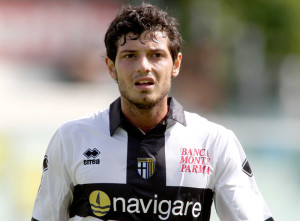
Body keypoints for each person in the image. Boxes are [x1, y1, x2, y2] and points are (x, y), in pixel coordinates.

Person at [31, 3, 274, 221]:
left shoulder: (215, 143)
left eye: (156, 55)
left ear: (176, 64)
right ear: (111, 67)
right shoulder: (71, 139)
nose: (143, 66)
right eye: (130, 56)